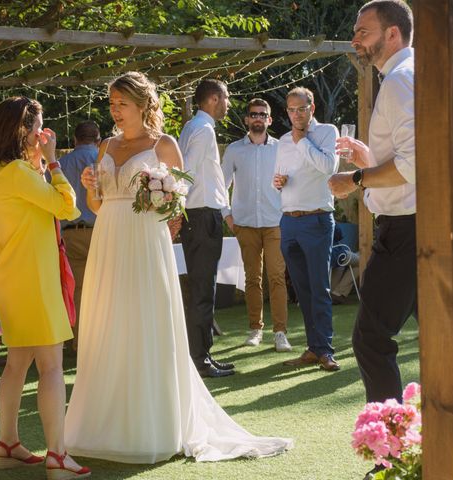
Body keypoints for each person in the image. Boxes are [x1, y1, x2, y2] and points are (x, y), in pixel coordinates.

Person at [64, 71, 292, 464]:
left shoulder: (164, 145)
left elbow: (177, 207)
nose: (115, 111)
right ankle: (103, 422)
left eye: (122, 103)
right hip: (108, 242)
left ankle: (154, 423)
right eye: (112, 103)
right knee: (107, 324)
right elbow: (99, 205)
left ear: (142, 104)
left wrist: (163, 200)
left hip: (144, 243)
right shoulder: (105, 145)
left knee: (145, 323)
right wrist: (89, 185)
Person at [0, 97, 90, 478]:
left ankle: (8, 444)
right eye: (39, 126)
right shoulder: (18, 174)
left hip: (11, 278)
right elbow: (67, 207)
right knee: (52, 366)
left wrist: (37, 161)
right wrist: (54, 161)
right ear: (23, 129)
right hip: (35, 280)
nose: (43, 133)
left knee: (16, 362)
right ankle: (57, 456)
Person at [328, 0, 415, 406]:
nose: (355, 39)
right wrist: (370, 160)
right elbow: (409, 159)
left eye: (364, 31)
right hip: (416, 227)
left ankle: (390, 456)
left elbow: (414, 165)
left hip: (404, 231)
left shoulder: (400, 80)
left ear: (392, 34)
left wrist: (355, 179)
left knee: (370, 340)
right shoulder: (408, 76)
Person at [274, 87, 340, 372]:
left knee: (319, 287)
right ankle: (313, 348)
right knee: (302, 290)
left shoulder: (327, 132)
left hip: (317, 220)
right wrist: (276, 182)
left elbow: (329, 166)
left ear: (311, 108)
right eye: (291, 110)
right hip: (288, 221)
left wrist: (302, 142)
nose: (296, 114)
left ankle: (325, 350)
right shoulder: (283, 141)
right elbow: (277, 178)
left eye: (301, 108)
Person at [221, 98, 291, 352]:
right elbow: (221, 185)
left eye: (263, 114)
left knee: (277, 278)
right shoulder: (234, 150)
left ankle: (280, 333)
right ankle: (255, 329)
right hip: (245, 224)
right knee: (252, 278)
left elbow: (291, 181)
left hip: (275, 223)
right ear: (247, 120)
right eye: (254, 114)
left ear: (269, 120)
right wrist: (228, 217)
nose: (258, 118)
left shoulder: (281, 148)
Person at [178, 79, 233, 378]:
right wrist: (178, 210)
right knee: (203, 288)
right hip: (201, 216)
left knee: (203, 287)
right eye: (226, 97)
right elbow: (186, 171)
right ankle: (199, 359)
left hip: (200, 214)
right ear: (213, 99)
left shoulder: (194, 127)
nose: (228, 104)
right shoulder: (202, 130)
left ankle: (202, 353)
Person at [59, 121, 101, 351]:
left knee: (74, 288)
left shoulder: (62, 163)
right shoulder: (103, 160)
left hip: (70, 233)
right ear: (98, 139)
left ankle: (75, 341)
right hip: (99, 230)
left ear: (75, 139)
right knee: (100, 288)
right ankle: (95, 340)